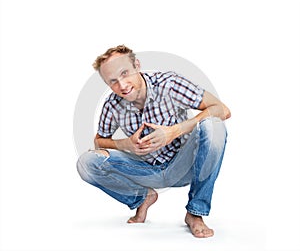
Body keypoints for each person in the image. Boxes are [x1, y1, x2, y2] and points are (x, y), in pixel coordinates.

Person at [77, 45, 231, 238]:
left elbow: (222, 110)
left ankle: (195, 213)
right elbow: (99, 141)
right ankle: (142, 198)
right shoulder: (112, 104)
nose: (122, 85)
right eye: (113, 81)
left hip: (183, 167)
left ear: (137, 65)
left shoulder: (169, 83)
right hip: (145, 170)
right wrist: (124, 144)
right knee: (87, 163)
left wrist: (174, 131)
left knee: (214, 126)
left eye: (125, 73)